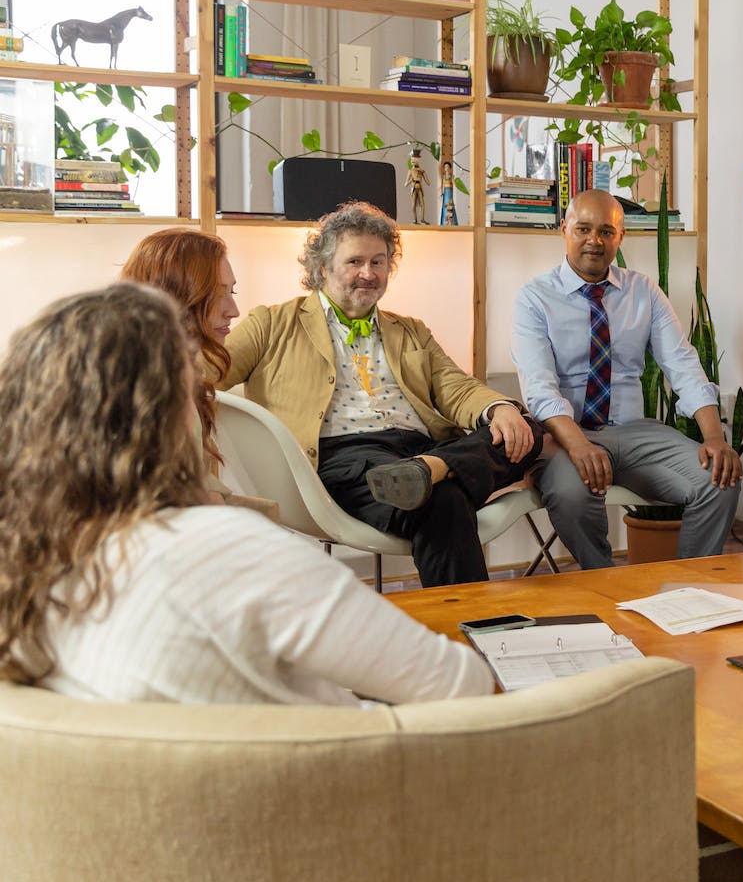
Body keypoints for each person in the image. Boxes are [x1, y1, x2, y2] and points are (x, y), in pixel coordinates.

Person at [0, 283, 492, 704]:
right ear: (171, 412)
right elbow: (461, 684)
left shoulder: (28, 563)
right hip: (346, 785)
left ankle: (443, 467)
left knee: (500, 441)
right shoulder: (237, 551)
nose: (232, 311)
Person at [222, 202, 542, 588]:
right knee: (444, 502)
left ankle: (432, 469)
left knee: (526, 428)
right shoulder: (271, 324)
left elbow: (455, 387)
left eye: (378, 262)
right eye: (355, 261)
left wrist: (498, 408)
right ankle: (473, 627)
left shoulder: (409, 330)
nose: (368, 274)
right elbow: (205, 374)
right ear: (322, 268)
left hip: (419, 449)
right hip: (347, 458)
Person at [511, 189, 740, 569]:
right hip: (565, 437)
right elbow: (539, 388)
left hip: (635, 433)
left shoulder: (643, 291)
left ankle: (694, 592)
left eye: (606, 231)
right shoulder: (535, 297)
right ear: (564, 229)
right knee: (571, 495)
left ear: (620, 237)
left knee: (719, 477)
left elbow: (682, 363)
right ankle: (605, 588)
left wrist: (715, 439)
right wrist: (580, 446)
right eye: (583, 228)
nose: (594, 241)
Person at [118, 228, 239, 496]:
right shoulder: (157, 385)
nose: (234, 311)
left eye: (233, 292)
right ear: (177, 295)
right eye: (219, 295)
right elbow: (182, 499)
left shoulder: (139, 358)